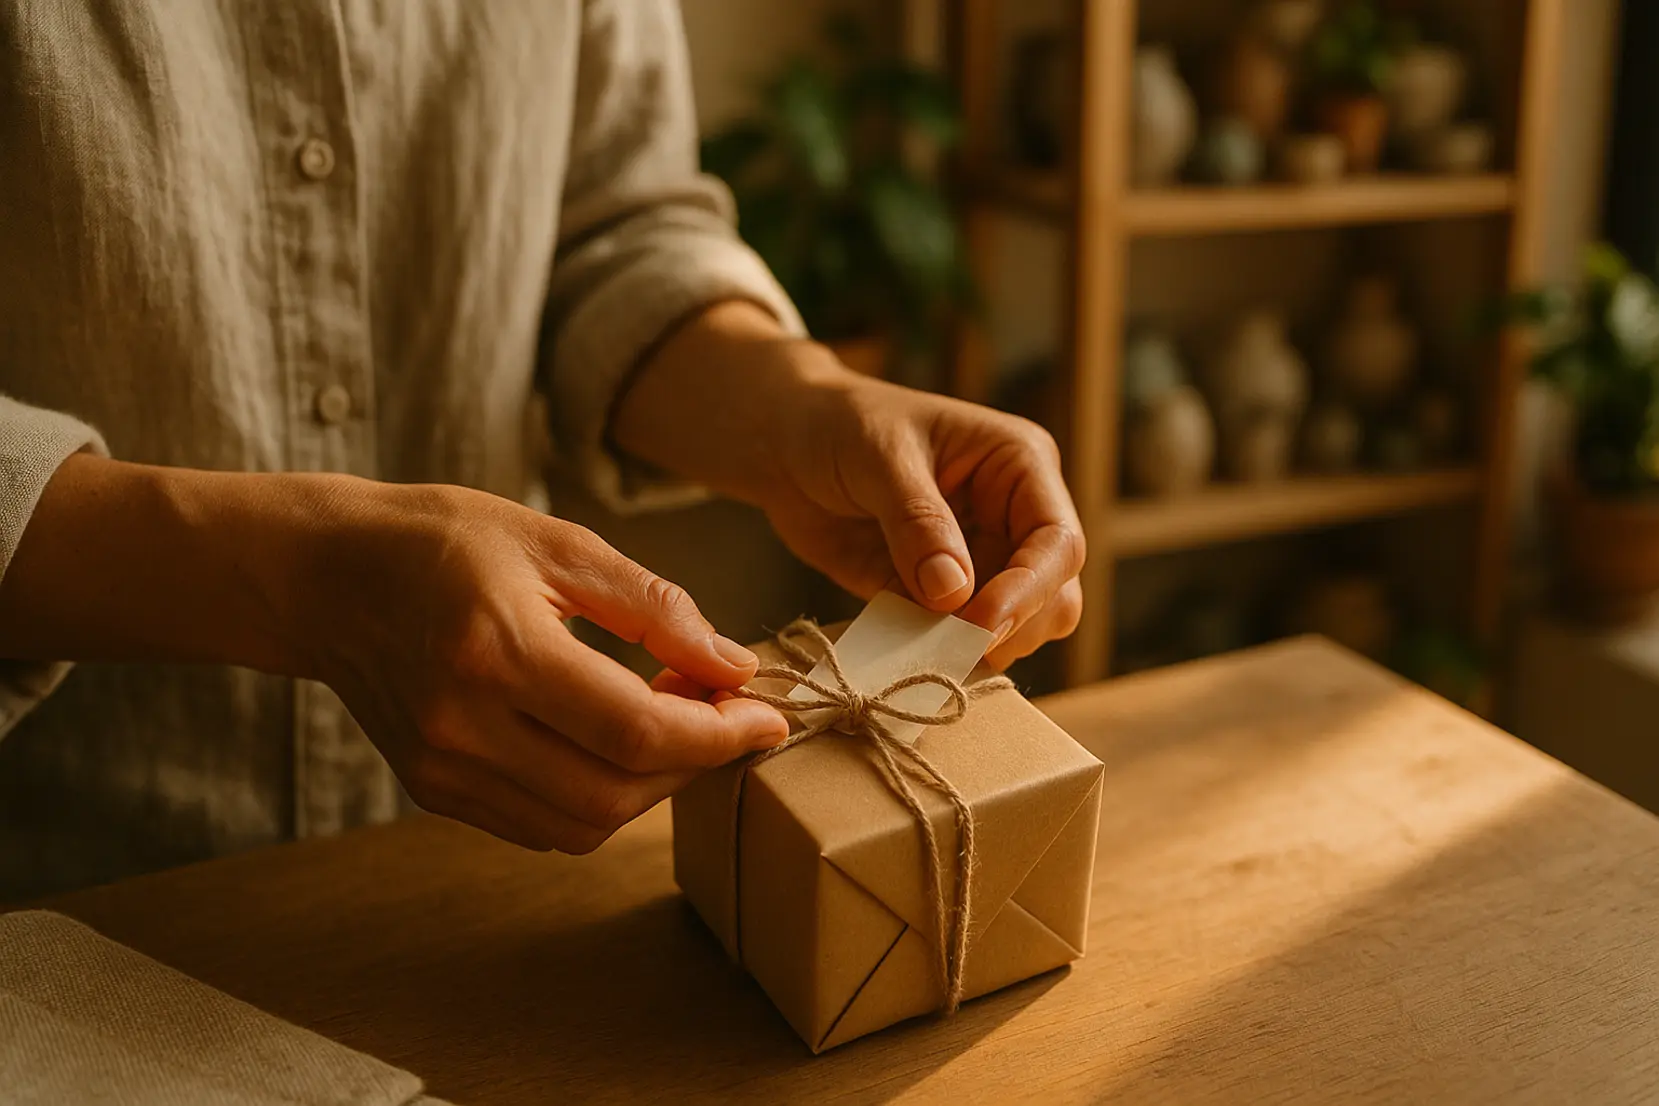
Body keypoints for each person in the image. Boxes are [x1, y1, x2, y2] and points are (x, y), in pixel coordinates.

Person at [0, 1, 1084, 900]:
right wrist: (305, 580)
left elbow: (614, 228)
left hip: (486, 902)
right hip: (65, 901)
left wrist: (802, 410)